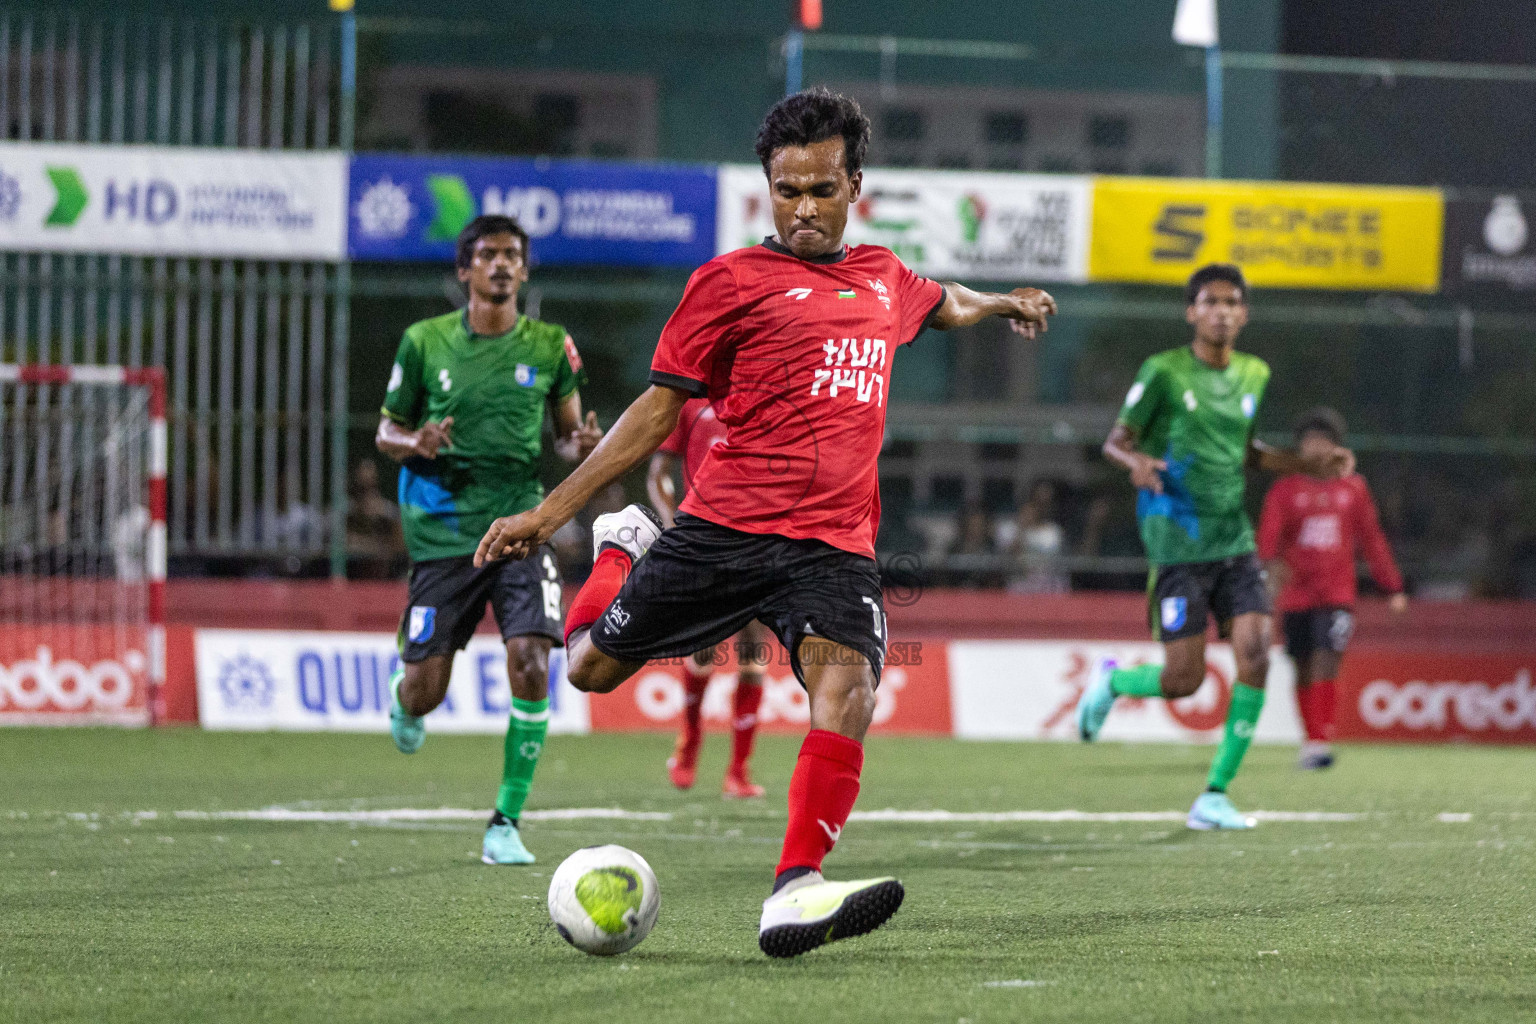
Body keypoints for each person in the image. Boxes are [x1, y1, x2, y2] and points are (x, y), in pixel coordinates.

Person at [474, 88, 1056, 958]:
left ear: (855, 184)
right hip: (724, 532)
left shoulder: (884, 278)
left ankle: (795, 889)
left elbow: (947, 302)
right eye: (788, 191)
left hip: (834, 548)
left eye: (822, 188)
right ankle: (618, 551)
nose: (805, 208)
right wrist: (552, 511)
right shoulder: (729, 283)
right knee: (590, 668)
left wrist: (1005, 304)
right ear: (768, 191)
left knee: (851, 690)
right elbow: (653, 413)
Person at [1075, 263, 1352, 831]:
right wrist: (1137, 463)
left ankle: (1215, 795)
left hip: (1234, 540)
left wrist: (1309, 464)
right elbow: (1115, 441)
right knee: (1185, 680)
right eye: (1210, 301)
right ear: (1191, 312)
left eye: (1232, 302)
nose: (1221, 311)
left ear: (1244, 313)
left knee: (1254, 654)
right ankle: (1113, 682)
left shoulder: (1254, 374)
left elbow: (1248, 452)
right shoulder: (1163, 372)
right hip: (1177, 543)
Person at [375, 214, 603, 866]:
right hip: (443, 532)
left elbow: (565, 438)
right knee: (427, 690)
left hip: (520, 527)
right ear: (464, 269)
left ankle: (505, 821)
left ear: (524, 270)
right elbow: (386, 431)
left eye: (512, 255)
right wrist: (412, 442)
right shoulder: (424, 342)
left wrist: (578, 446)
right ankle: (404, 693)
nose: (501, 265)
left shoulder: (551, 345)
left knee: (532, 661)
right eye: (488, 255)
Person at [1257, 407, 1406, 770]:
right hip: (1296, 596)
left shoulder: (1353, 489)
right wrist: (1269, 569)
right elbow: (1267, 541)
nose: (1316, 449)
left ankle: (1321, 741)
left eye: (1324, 442)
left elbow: (1372, 539)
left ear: (1336, 447)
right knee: (1303, 666)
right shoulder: (1285, 489)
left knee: (1328, 657)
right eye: (1309, 442)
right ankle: (1311, 740)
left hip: (1337, 594)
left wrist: (1393, 586)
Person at [647, 398, 771, 799]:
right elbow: (657, 474)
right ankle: (689, 745)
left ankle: (738, 771)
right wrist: (672, 528)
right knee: (704, 649)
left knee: (755, 652)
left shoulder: (764, 398)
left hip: (756, 542)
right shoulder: (691, 404)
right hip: (702, 540)